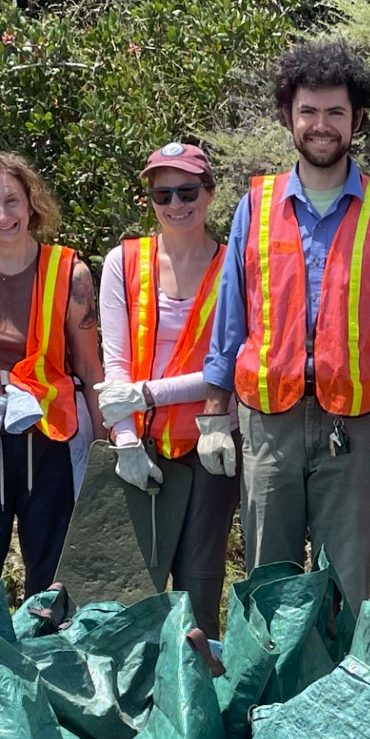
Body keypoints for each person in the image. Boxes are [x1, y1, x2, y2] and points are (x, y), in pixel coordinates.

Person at [200, 40, 370, 607]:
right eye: (309, 111)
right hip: (267, 422)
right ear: (288, 116)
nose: (321, 125)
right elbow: (233, 312)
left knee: (345, 583)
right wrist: (212, 412)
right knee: (267, 578)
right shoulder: (256, 205)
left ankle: (339, 693)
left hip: (355, 425)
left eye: (335, 112)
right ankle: (269, 694)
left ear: (357, 120)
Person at [0, 152, 105, 596]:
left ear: (31, 203)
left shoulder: (70, 272)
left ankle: (47, 662)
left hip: (50, 442)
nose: (3, 215)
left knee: (52, 582)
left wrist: (107, 452)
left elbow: (88, 367)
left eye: (12, 201)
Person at [92, 141, 238, 634]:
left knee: (199, 589)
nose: (176, 205)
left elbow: (232, 368)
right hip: (140, 446)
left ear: (210, 193)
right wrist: (126, 441)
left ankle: (195, 698)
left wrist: (149, 393)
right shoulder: (123, 262)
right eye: (163, 195)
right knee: (130, 595)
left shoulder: (232, 267)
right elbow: (115, 361)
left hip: (209, 445)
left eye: (188, 191)